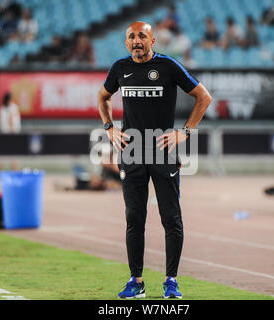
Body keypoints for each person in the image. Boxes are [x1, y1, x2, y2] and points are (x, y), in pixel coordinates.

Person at [98, 21, 212, 299]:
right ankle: (135, 282)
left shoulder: (169, 67)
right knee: (134, 219)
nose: (136, 41)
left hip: (163, 152)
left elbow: (203, 97)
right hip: (132, 151)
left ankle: (171, 281)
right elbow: (103, 97)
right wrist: (109, 128)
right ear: (126, 43)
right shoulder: (119, 69)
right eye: (131, 37)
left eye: (142, 36)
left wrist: (185, 132)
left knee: (171, 218)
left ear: (153, 41)